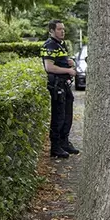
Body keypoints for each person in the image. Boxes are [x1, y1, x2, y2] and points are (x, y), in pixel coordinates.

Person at [41, 20, 79, 158]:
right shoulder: (49, 45)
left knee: (67, 114)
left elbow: (63, 61)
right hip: (57, 85)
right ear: (51, 31)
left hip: (64, 85)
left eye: (63, 29)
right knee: (58, 116)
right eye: (59, 29)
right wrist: (68, 71)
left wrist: (70, 63)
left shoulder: (60, 45)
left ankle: (64, 143)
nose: (62, 31)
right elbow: (49, 67)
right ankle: (55, 147)